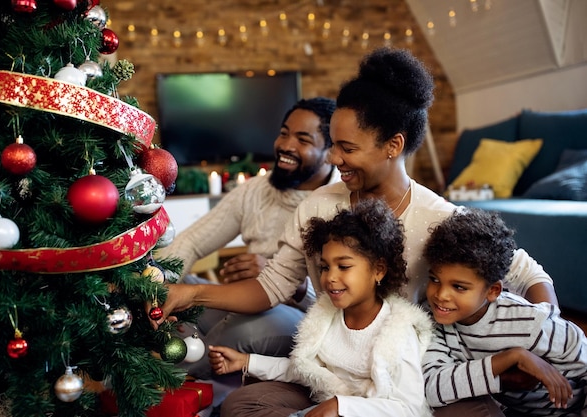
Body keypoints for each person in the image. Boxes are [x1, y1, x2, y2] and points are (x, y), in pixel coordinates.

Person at [153, 47, 559, 413]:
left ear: (393, 145)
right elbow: (273, 286)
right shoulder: (317, 207)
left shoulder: (438, 217)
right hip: (331, 371)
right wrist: (190, 292)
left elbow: (528, 273)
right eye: (332, 144)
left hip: (407, 380)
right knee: (243, 406)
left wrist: (544, 334)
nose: (334, 157)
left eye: (347, 148)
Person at [155, 97, 339, 379]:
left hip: (305, 320)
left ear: (330, 152)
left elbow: (346, 303)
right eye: (284, 133)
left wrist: (297, 287)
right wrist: (153, 285)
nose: (286, 145)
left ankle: (162, 380)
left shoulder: (341, 203)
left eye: (303, 139)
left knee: (245, 328)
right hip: (244, 302)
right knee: (178, 283)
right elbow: (191, 243)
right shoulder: (256, 190)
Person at [209, 199, 434, 417]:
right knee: (238, 403)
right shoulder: (327, 316)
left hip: (366, 412)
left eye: (344, 266)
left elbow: (409, 409)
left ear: (379, 270)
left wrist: (342, 406)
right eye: (325, 267)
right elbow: (305, 370)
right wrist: (247, 361)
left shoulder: (397, 331)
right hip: (324, 399)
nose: (330, 278)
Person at [422, 208, 587, 416]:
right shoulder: (432, 322)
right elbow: (432, 388)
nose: (441, 295)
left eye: (459, 287)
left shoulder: (531, 323)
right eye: (435, 280)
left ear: (493, 291)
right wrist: (511, 357)